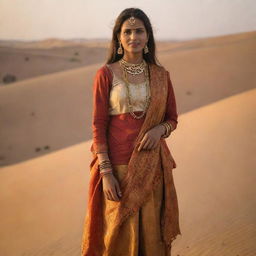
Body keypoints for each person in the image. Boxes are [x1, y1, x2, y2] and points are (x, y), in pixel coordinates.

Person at [81, 7, 181, 256]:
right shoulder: (106, 74)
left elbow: (172, 119)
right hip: (117, 168)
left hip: (151, 167)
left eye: (139, 31)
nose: (133, 36)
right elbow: (98, 125)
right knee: (116, 236)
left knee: (151, 236)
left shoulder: (160, 75)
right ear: (118, 38)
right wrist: (106, 173)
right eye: (127, 31)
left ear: (148, 37)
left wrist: (159, 129)